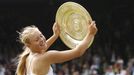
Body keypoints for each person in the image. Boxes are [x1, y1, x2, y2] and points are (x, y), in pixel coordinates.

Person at [16, 21, 97, 75]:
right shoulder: (45, 57)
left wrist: (55, 35)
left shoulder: (28, 56)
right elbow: (78, 52)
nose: (42, 39)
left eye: (41, 35)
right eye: (37, 39)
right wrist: (90, 34)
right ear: (28, 45)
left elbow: (43, 47)